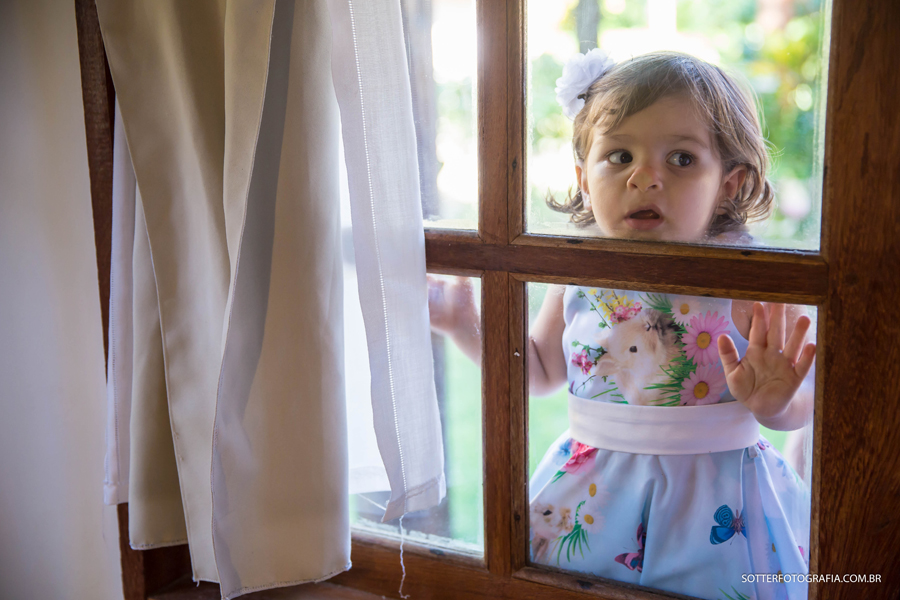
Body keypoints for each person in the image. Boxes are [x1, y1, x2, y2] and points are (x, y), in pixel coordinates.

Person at [428, 50, 815, 600]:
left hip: (720, 503)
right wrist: (463, 324)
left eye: (681, 159)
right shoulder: (578, 272)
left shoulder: (747, 279)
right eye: (619, 156)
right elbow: (537, 369)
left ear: (729, 183)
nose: (644, 177)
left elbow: (798, 404)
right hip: (591, 493)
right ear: (584, 178)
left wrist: (777, 402)